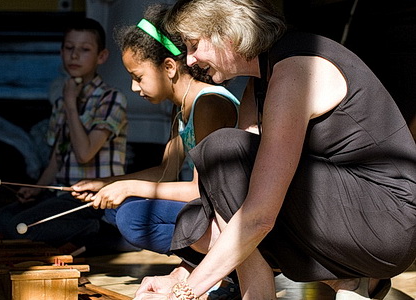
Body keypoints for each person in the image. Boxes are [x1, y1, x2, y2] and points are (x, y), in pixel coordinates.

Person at [131, 1, 416, 300]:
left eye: (193, 45)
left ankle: (276, 292)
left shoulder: (295, 69)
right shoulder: (261, 80)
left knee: (222, 152)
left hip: (390, 222)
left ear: (226, 33)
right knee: (196, 221)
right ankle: (347, 281)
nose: (189, 60)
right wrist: (183, 271)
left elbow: (259, 215)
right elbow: (229, 194)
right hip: (352, 216)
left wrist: (184, 291)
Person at [71, 3, 240, 257]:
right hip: (207, 206)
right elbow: (166, 171)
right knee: (116, 209)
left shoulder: (208, 104)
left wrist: (128, 188)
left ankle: (221, 265)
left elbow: (201, 191)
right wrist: (105, 184)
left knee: (131, 216)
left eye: (138, 77)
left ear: (169, 67)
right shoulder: (181, 106)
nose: (134, 88)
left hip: (228, 212)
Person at [0, 18, 128, 247]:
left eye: (85, 50)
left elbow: (85, 153)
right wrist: (37, 189)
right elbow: (58, 157)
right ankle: (69, 233)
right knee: (3, 218)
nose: (75, 55)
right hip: (61, 195)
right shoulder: (61, 103)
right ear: (61, 51)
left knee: (21, 229)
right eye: (69, 48)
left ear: (101, 57)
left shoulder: (111, 99)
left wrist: (71, 104)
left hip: (92, 201)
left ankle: (100, 232)